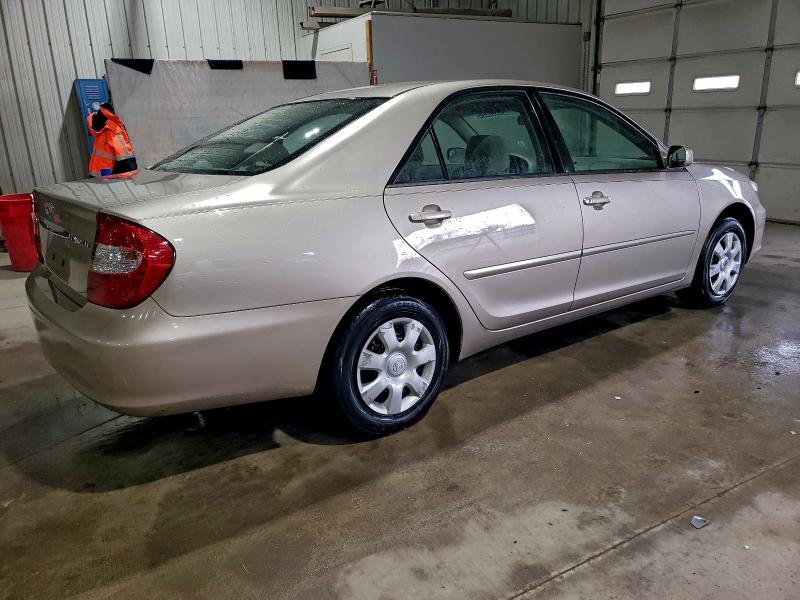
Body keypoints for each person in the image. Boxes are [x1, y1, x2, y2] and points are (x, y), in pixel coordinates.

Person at [86, 101, 138, 177]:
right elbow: (125, 159)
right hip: (108, 178)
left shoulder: (98, 126)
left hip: (95, 174)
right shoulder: (114, 129)